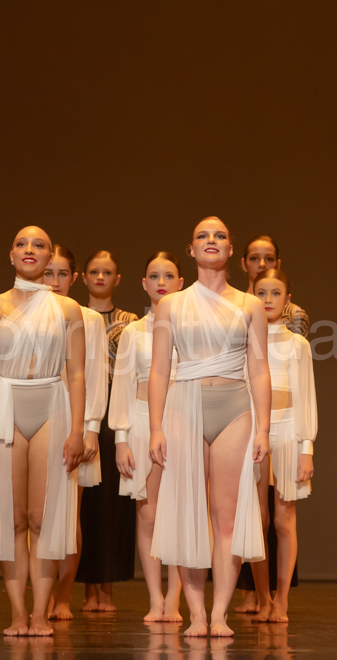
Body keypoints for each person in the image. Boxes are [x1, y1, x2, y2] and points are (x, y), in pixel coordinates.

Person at [149, 216, 270, 638]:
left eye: (219, 235)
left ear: (230, 249)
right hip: (185, 405)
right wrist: (155, 427)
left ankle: (219, 613)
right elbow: (159, 369)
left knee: (226, 520)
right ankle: (196, 614)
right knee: (188, 514)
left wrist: (264, 428)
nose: (211, 240)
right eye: (203, 235)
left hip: (234, 406)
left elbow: (259, 370)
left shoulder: (249, 304)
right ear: (192, 249)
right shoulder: (172, 304)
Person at [0, 226, 86, 636]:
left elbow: (77, 374)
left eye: (39, 245)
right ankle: (18, 614)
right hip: (7, 404)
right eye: (22, 243)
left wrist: (78, 430)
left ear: (49, 257)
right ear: (11, 254)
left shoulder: (68, 309)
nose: (29, 249)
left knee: (42, 518)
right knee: (13, 520)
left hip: (52, 404)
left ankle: (40, 614)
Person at [111, 251, 184, 622]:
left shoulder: (190, 328)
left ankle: (176, 596)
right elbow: (122, 385)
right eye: (154, 276)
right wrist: (121, 438)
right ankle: (156, 597)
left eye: (168, 276)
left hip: (183, 422)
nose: (161, 282)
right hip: (141, 422)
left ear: (181, 283)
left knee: (183, 513)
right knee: (149, 514)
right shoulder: (133, 332)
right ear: (143, 284)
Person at [247, 268, 317, 623]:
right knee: (256, 519)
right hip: (253, 433)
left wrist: (307, 448)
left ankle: (283, 599)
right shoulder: (244, 340)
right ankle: (262, 597)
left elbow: (306, 396)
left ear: (288, 300)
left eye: (276, 293)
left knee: (284, 519)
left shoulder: (297, 344)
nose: (268, 300)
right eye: (262, 292)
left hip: (289, 430)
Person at [42, 245, 104, 620]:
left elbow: (94, 376)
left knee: (68, 516)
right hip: (38, 419)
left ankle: (63, 595)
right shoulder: (29, 314)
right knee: (35, 516)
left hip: (74, 424)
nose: (54, 281)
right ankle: (41, 594)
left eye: (62, 274)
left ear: (74, 277)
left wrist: (90, 428)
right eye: (48, 273)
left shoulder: (88, 319)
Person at [76, 250, 138, 612]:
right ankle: (86, 588)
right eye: (94, 271)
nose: (100, 277)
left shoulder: (128, 322)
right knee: (84, 503)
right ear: (83, 277)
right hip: (80, 411)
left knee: (113, 503)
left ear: (118, 279)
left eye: (107, 272)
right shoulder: (72, 314)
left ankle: (108, 587)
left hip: (116, 410)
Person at [240, 236, 309, 338]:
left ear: (278, 264)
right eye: (254, 258)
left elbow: (300, 346)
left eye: (269, 259)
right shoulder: (234, 308)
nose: (262, 264)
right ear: (244, 264)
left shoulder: (295, 315)